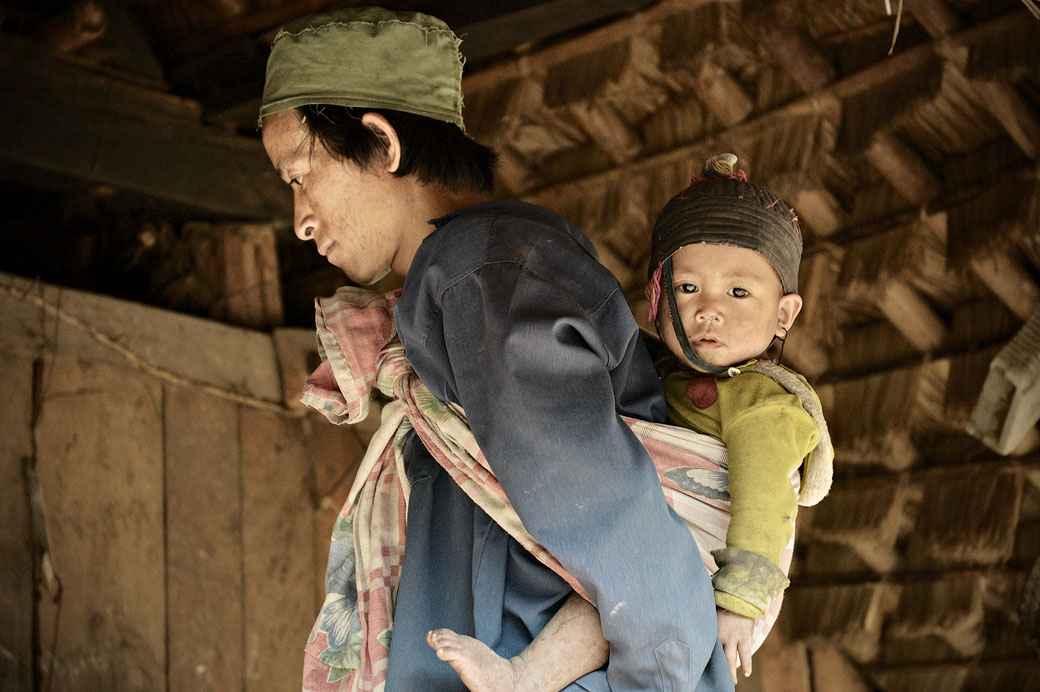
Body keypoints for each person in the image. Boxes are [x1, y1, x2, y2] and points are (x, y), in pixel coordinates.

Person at [258, 7, 732, 692]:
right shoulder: (467, 282)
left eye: (301, 175)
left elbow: (614, 524)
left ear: (382, 145)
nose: (300, 219)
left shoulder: (484, 280)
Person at [426, 154, 828, 690]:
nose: (709, 309)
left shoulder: (767, 406)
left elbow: (764, 502)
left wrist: (739, 603)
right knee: (604, 592)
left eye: (738, 292)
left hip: (714, 571)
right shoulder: (646, 368)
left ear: (785, 315)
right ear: (656, 297)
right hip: (642, 546)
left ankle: (524, 678)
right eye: (688, 288)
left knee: (618, 598)